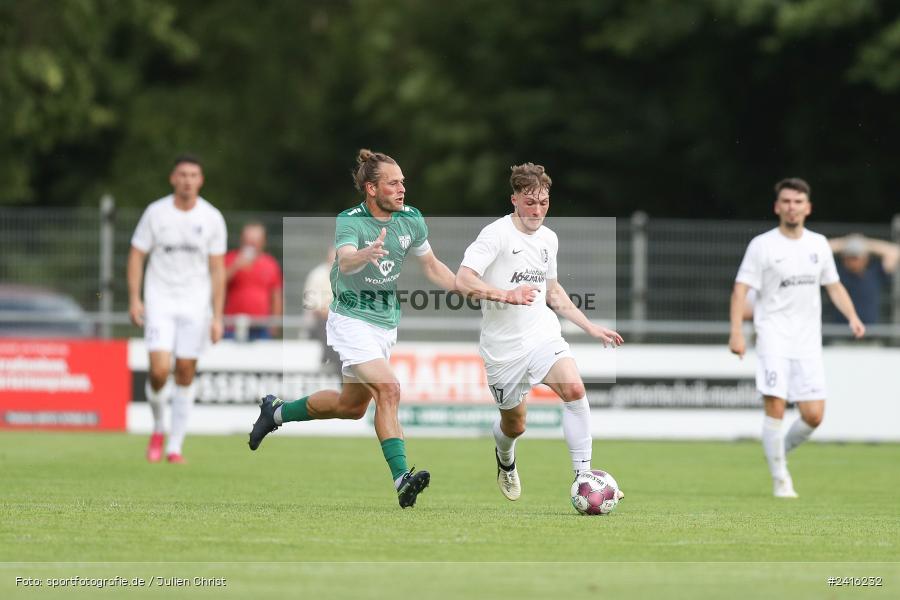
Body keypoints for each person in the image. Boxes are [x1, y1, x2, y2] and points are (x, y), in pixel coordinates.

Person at [247, 149, 457, 508]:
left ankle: (276, 411)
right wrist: (365, 253)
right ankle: (402, 479)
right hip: (350, 320)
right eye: (393, 183)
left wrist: (470, 288)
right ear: (371, 189)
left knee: (351, 406)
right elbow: (344, 261)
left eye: (403, 182)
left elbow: (433, 266)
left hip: (384, 324)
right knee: (389, 389)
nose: (402, 189)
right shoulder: (350, 220)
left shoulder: (411, 219)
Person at [454, 162, 624, 502]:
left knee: (574, 389)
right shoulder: (496, 234)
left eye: (543, 202)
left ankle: (584, 477)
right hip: (503, 349)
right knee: (515, 425)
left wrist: (590, 326)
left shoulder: (549, 239)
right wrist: (506, 295)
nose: (537, 210)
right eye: (530, 202)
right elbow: (463, 280)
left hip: (542, 336)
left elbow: (553, 291)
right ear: (514, 199)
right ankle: (505, 459)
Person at [728, 178, 865, 498]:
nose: (792, 207)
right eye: (787, 201)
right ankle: (781, 479)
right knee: (775, 406)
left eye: (798, 201)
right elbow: (740, 289)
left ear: (808, 207)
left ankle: (777, 453)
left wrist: (853, 316)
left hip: (807, 342)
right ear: (777, 207)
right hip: (773, 336)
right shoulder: (762, 245)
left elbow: (833, 285)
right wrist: (736, 332)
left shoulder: (818, 244)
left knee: (814, 416)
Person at [128, 154, 227, 464]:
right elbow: (136, 255)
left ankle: (175, 446)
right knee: (159, 371)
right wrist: (135, 298)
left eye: (193, 175)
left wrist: (218, 316)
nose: (187, 180)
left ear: (201, 180)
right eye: (182, 175)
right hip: (159, 301)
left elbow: (217, 269)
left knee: (185, 370)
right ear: (173, 178)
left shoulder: (211, 217)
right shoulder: (156, 213)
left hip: (195, 305)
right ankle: (159, 426)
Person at [224, 222, 283, 340]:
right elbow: (217, 284)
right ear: (242, 240)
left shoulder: (270, 264)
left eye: (255, 240)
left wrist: (275, 323)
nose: (251, 244)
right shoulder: (230, 259)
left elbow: (276, 296)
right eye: (248, 240)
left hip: (261, 326)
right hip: (232, 325)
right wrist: (235, 266)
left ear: (263, 242)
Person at [827, 234, 899, 325]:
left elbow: (894, 252)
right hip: (840, 330)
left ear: (865, 259)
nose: (852, 261)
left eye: (855, 257)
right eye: (849, 257)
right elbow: (820, 250)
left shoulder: (875, 273)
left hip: (870, 330)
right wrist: (846, 242)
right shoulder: (836, 273)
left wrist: (865, 243)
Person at [303, 246, 341, 374]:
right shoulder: (317, 275)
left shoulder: (347, 276)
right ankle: (333, 362)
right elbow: (315, 308)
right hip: (319, 324)